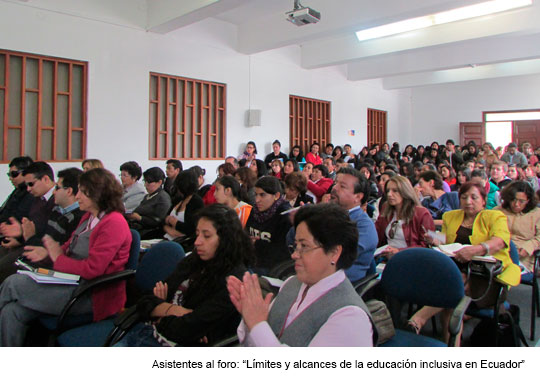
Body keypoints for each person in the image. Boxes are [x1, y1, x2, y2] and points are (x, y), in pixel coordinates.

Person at [0, 168, 132, 346]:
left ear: (98, 194)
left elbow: (93, 270)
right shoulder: (88, 217)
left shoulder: (114, 223)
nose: (77, 197)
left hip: (91, 295)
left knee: (13, 283)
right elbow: (67, 247)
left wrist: (57, 258)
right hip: (69, 283)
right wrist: (47, 254)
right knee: (12, 311)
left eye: (82, 192)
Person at [228, 203, 373, 347]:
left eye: (304, 246)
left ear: (334, 253)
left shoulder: (351, 317)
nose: (295, 255)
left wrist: (257, 324)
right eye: (296, 245)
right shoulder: (291, 284)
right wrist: (249, 319)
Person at [115, 204, 254, 346]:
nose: (197, 242)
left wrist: (159, 311)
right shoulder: (194, 260)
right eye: (198, 233)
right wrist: (175, 311)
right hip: (146, 333)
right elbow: (145, 302)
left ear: (226, 239)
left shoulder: (234, 279)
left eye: (206, 236)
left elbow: (185, 330)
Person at [408, 181, 521, 344]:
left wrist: (476, 250)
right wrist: (434, 238)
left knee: (455, 283)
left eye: (473, 197)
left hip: (489, 278)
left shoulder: (495, 216)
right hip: (460, 271)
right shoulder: (451, 216)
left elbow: (500, 241)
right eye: (464, 197)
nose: (468, 201)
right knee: (451, 302)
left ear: (483, 200)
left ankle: (419, 318)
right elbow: (447, 239)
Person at [0, 168, 85, 283]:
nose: (54, 192)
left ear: (69, 191)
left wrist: (28, 236)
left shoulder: (77, 218)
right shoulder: (57, 210)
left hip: (52, 267)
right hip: (38, 255)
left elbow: (58, 252)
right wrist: (23, 235)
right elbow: (43, 238)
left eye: (57, 188)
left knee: (8, 275)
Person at [330, 167, 377, 283]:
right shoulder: (326, 215)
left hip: (339, 285)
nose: (334, 188)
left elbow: (336, 256)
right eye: (335, 183)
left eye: (342, 186)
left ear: (358, 197)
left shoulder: (364, 226)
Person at [375, 176, 434, 259]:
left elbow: (425, 245)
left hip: (411, 258)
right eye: (388, 190)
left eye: (395, 191)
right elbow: (376, 232)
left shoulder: (422, 213)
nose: (389, 194)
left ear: (405, 192)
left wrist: (399, 251)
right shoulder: (385, 208)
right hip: (386, 258)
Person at [244, 176, 292, 275]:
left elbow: (283, 251)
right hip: (252, 261)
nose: (257, 200)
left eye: (262, 195)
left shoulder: (285, 216)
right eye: (256, 195)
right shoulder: (255, 211)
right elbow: (246, 233)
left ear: (276, 196)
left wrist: (256, 244)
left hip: (272, 267)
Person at [495, 181, 540, 273]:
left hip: (523, 258)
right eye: (513, 200)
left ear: (528, 201)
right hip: (498, 254)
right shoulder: (497, 211)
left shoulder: (537, 214)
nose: (516, 204)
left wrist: (528, 247)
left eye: (521, 201)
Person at [126, 167, 171, 239]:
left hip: (149, 232)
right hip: (137, 227)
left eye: (149, 182)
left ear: (159, 182)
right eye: (145, 181)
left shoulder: (163, 198)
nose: (145, 185)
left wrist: (139, 218)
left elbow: (159, 222)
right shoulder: (148, 196)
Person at [163, 169, 204, 241]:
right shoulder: (179, 199)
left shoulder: (196, 202)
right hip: (167, 236)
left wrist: (174, 222)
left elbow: (192, 228)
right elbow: (163, 219)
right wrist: (167, 228)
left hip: (183, 241)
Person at [0, 156, 34, 224]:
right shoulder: (18, 190)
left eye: (14, 174)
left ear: (26, 173)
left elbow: (17, 217)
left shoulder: (31, 193)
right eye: (9, 175)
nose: (10, 178)